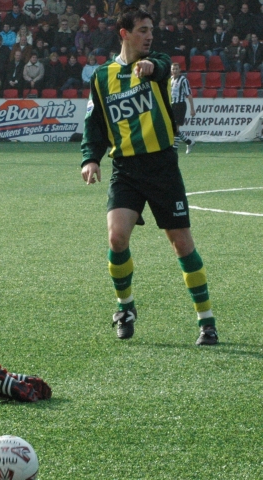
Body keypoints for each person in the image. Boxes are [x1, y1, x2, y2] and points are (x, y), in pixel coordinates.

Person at [80, 7, 219, 346]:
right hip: (125, 169)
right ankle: (125, 308)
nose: (149, 36)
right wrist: (90, 158)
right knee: (117, 238)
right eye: (142, 30)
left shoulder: (156, 63)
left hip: (161, 167)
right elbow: (95, 123)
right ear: (124, 33)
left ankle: (206, 321)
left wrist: (152, 66)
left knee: (182, 244)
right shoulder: (101, 77)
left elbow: (159, 68)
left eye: (151, 31)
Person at [169, 62, 195, 154]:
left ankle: (174, 150)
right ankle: (189, 142)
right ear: (171, 70)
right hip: (172, 105)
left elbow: (189, 94)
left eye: (176, 69)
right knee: (173, 128)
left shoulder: (183, 80)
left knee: (175, 128)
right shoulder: (170, 80)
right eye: (173, 69)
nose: (174, 70)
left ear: (180, 70)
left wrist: (192, 108)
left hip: (180, 105)